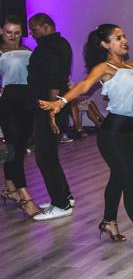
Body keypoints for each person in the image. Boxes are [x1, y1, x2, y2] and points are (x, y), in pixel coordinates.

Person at [39, 24, 133, 253]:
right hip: (112, 134)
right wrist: (61, 102)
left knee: (118, 178)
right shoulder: (104, 68)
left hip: (129, 133)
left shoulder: (128, 66)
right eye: (117, 38)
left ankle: (108, 221)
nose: (124, 41)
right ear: (105, 44)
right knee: (130, 180)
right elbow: (84, 85)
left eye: (124, 36)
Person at [26, 13, 74, 221]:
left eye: (34, 29)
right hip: (54, 106)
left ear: (46, 27)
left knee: (45, 157)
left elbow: (54, 81)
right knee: (50, 155)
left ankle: (61, 204)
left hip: (48, 107)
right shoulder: (61, 43)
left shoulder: (47, 48)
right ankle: (65, 196)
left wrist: (52, 112)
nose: (31, 33)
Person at [0, 15, 42, 217]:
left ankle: (9, 188)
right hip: (7, 103)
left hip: (27, 101)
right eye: (9, 32)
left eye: (17, 33)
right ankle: (26, 198)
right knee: (15, 148)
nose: (13, 36)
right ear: (1, 32)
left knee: (16, 148)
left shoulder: (27, 50)